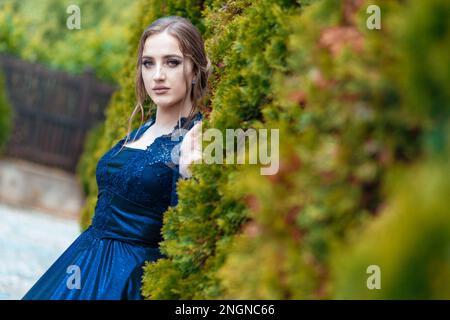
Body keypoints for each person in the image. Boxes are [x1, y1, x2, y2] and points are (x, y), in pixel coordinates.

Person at [22, 15, 211, 300]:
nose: (158, 75)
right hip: (85, 261)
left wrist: (189, 170)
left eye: (172, 62)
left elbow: (186, 232)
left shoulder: (195, 138)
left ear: (194, 70)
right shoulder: (141, 130)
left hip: (130, 278)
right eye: (149, 63)